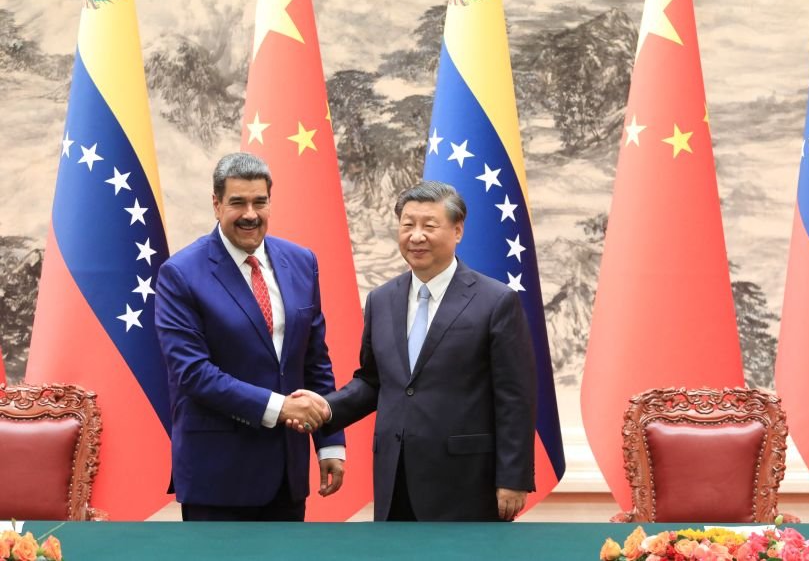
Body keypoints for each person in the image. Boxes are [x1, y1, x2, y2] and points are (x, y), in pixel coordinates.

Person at [294, 181, 537, 521]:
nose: (416, 236)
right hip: (396, 476)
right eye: (408, 225)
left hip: (466, 481)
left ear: (457, 231)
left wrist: (513, 478)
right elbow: (373, 381)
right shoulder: (381, 300)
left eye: (429, 226)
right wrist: (325, 408)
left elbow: (515, 397)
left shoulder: (495, 301)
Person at [154, 152, 345, 521]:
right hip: (219, 476)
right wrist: (280, 407)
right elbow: (192, 373)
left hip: (287, 475)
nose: (250, 214)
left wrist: (330, 442)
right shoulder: (180, 274)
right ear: (216, 203)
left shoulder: (302, 261)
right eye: (237, 202)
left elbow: (314, 360)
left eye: (260, 202)